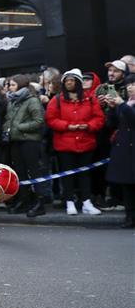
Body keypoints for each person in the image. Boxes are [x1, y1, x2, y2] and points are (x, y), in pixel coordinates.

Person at [46, 69, 104, 215]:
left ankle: (86, 202)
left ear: (78, 82)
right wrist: (67, 126)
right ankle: (69, 202)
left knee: (85, 175)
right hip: (65, 144)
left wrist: (89, 125)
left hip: (86, 142)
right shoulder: (57, 99)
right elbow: (50, 119)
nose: (69, 83)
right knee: (67, 175)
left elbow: (99, 118)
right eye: (66, 81)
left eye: (72, 80)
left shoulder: (90, 99)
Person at [2, 75, 51, 217]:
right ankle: (24, 200)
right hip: (15, 141)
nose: (9, 87)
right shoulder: (12, 101)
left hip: (30, 141)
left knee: (34, 172)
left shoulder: (32, 101)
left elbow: (39, 121)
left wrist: (19, 127)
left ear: (21, 85)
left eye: (12, 85)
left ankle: (40, 203)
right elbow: (8, 119)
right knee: (20, 172)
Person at [105, 74, 135, 228]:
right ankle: (129, 217)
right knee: (127, 186)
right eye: (129, 85)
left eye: (133, 84)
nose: (130, 87)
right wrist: (111, 109)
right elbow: (112, 124)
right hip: (123, 149)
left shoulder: (126, 104)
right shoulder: (126, 103)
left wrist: (122, 104)